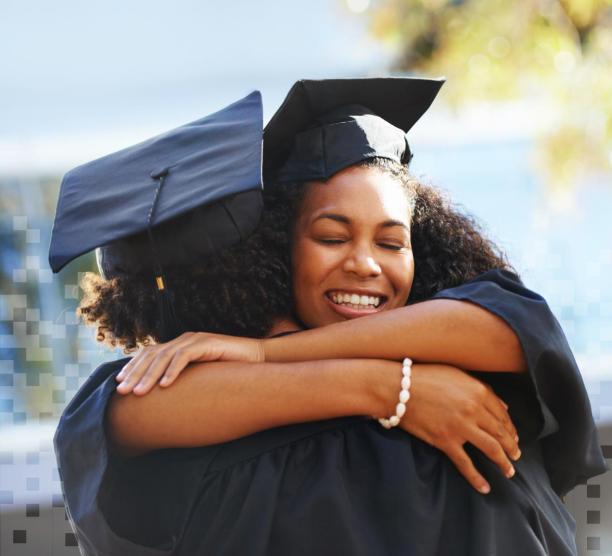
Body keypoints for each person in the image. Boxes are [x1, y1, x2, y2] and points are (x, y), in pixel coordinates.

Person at [52, 78, 608, 556]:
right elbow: (132, 409)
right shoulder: (191, 411)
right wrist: (391, 388)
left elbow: (509, 329)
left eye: (394, 243)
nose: (364, 263)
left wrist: (274, 352)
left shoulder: (473, 366)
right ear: (274, 252)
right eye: (331, 236)